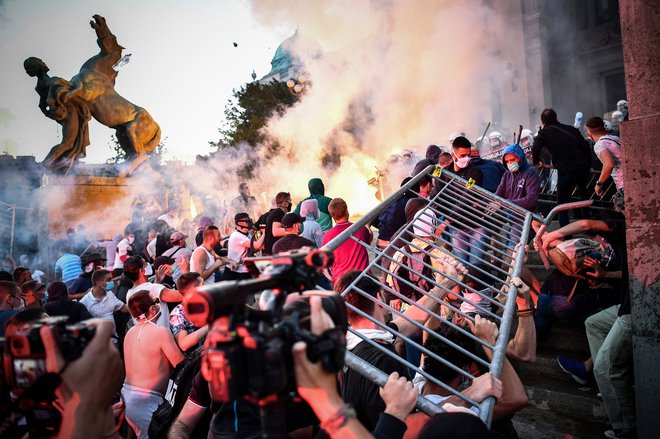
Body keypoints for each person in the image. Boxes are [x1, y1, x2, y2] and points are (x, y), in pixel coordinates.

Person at [540, 215, 634, 438]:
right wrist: (603, 275)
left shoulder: (624, 228)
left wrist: (552, 234)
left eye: (595, 238)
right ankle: (607, 385)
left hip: (634, 309)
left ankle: (626, 428)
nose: (595, 242)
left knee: (604, 366)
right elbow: (628, 273)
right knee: (593, 323)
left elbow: (586, 224)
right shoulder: (614, 250)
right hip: (625, 304)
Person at [337, 270, 460, 430]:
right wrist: (469, 396)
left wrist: (445, 284)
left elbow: (410, 319)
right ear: (379, 299)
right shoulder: (382, 361)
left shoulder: (356, 340)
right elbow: (405, 426)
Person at [123, 290, 184, 439]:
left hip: (127, 396)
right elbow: (181, 364)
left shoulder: (129, 332)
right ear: (152, 309)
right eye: (156, 302)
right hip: (145, 400)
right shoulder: (161, 332)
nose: (158, 305)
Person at [532, 108, 592, 227]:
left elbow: (535, 148)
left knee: (562, 204)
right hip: (581, 168)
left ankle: (566, 235)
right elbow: (585, 146)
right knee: (583, 198)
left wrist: (536, 161)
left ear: (542, 122)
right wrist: (588, 165)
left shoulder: (544, 133)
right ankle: (590, 228)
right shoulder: (570, 129)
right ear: (557, 118)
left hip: (566, 170)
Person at [443, 136, 487, 264]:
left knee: (474, 267)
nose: (466, 159)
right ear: (453, 155)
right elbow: (437, 196)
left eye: (468, 155)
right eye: (462, 155)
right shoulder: (443, 172)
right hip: (456, 228)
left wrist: (447, 220)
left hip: (476, 226)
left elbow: (467, 197)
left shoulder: (475, 172)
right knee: (460, 268)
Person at [123, 255, 183, 330]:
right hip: (162, 334)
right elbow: (182, 295)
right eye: (145, 263)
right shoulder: (153, 288)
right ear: (142, 271)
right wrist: (186, 271)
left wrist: (157, 281)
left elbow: (150, 294)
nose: (148, 264)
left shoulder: (130, 293)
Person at [321, 198, 372, 284]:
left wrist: (331, 278)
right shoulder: (360, 228)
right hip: (362, 278)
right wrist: (368, 228)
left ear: (331, 215)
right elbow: (369, 241)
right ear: (347, 210)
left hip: (341, 281)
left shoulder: (328, 235)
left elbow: (324, 262)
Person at [585, 117, 624, 211]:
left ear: (588, 133)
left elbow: (609, 164)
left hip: (623, 184)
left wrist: (599, 184)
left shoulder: (599, 145)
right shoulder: (615, 138)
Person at [170, 272, 208, 353]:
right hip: (198, 360)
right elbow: (184, 344)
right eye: (203, 284)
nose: (206, 285)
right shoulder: (177, 314)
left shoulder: (208, 302)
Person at [224, 213, 264, 281]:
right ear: (239, 224)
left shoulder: (247, 235)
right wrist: (265, 232)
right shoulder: (237, 236)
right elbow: (257, 246)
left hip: (243, 269)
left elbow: (254, 249)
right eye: (247, 221)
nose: (250, 222)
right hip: (235, 272)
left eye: (249, 220)